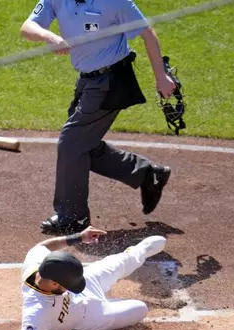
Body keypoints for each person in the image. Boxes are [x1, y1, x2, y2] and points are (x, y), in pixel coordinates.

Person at [20, 0, 175, 236]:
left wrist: (161, 77)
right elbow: (28, 27)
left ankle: (73, 218)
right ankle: (147, 174)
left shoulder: (115, 2)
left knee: (72, 142)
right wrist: (49, 37)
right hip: (87, 80)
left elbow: (147, 33)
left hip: (111, 81)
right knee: (83, 147)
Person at [17, 226, 167, 330]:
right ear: (54, 283)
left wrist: (78, 237)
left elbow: (42, 247)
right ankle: (111, 303)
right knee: (140, 308)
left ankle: (139, 251)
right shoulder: (37, 309)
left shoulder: (39, 266)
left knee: (124, 260)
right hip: (89, 320)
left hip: (89, 282)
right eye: (70, 285)